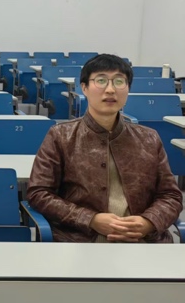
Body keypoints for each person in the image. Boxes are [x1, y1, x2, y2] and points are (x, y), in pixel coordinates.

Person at [27, 54, 183, 243]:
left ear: (128, 88)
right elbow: (39, 193)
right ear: (84, 88)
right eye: (101, 81)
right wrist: (90, 219)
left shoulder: (149, 138)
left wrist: (148, 222)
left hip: (142, 242)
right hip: (81, 240)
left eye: (119, 81)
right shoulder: (60, 136)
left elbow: (171, 195)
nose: (110, 89)